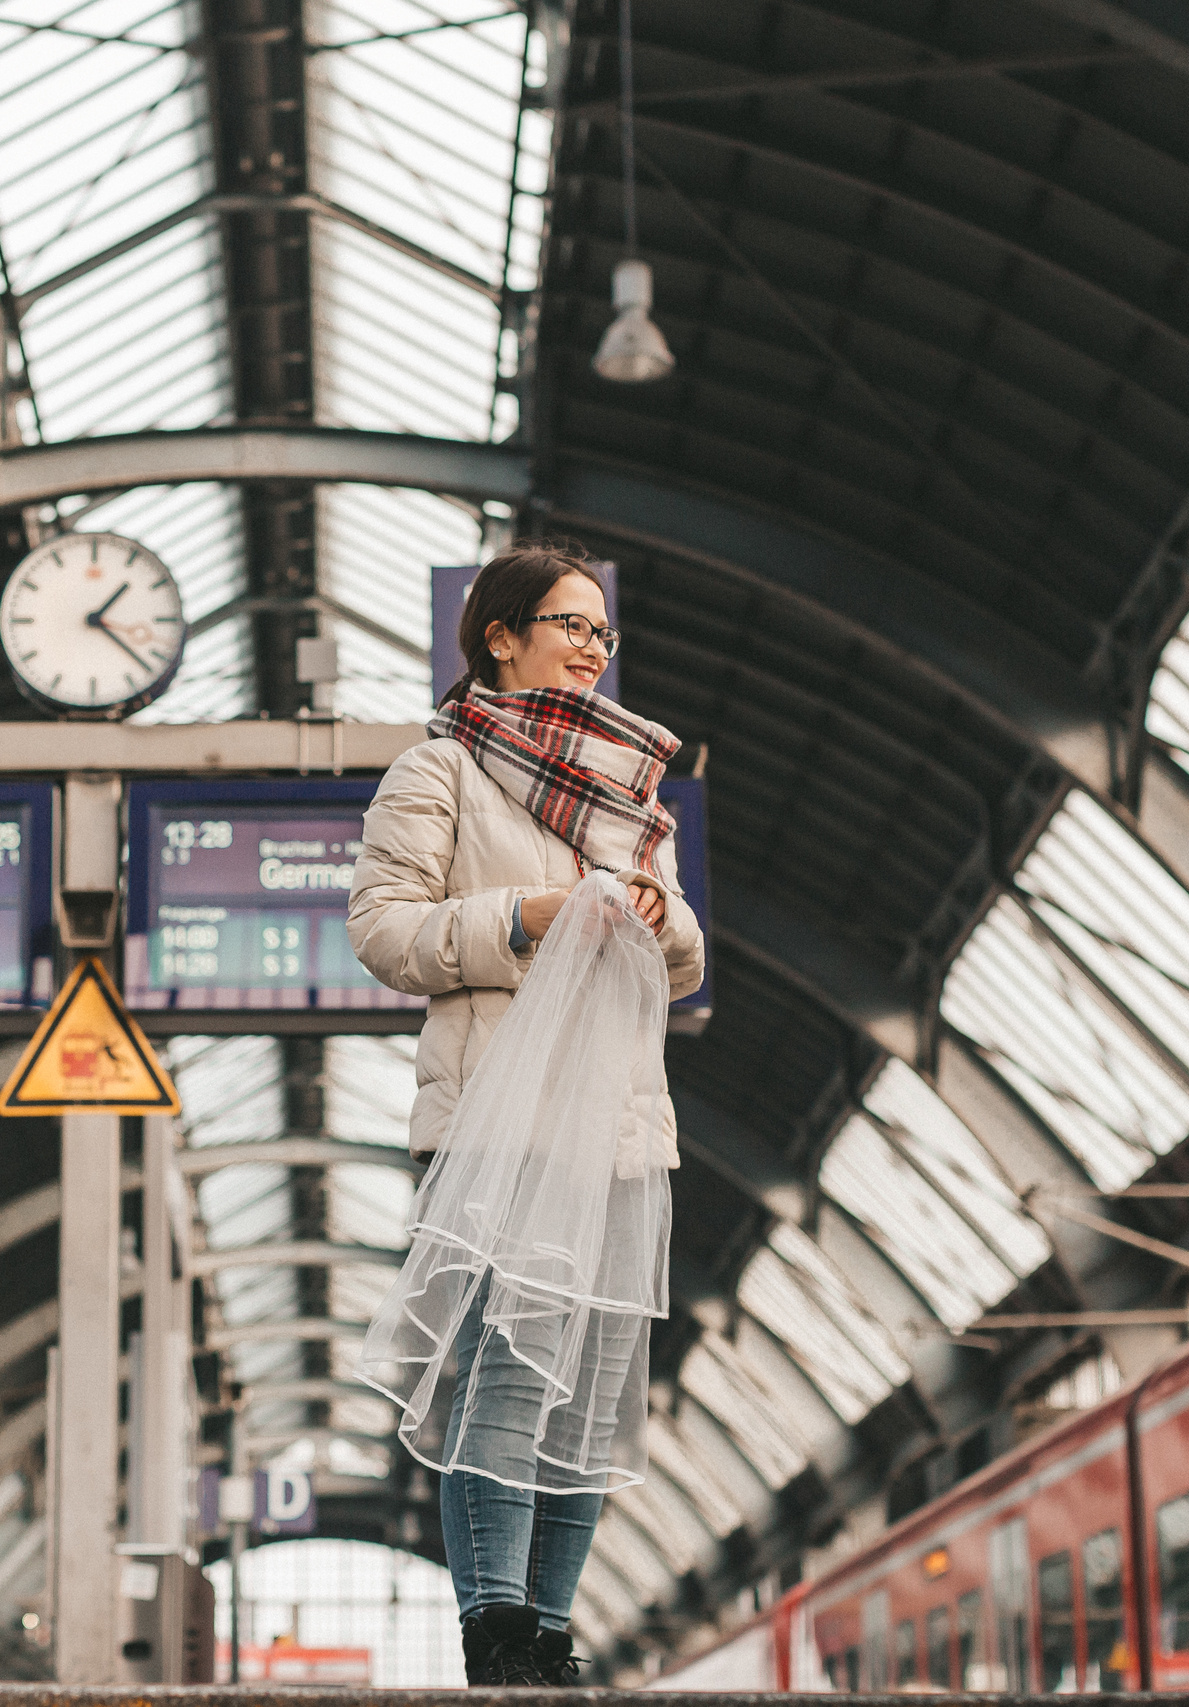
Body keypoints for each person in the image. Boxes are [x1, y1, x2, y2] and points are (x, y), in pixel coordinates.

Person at [347, 539, 704, 1686]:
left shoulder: (631, 793)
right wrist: (522, 917)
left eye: (603, 631)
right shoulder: (440, 772)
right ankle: (495, 1628)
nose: (593, 648)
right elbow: (385, 932)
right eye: (570, 626)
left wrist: (658, 918)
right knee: (514, 1367)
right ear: (499, 637)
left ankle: (551, 1634)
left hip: (620, 1131)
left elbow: (687, 962)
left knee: (591, 1392)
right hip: (500, 1122)